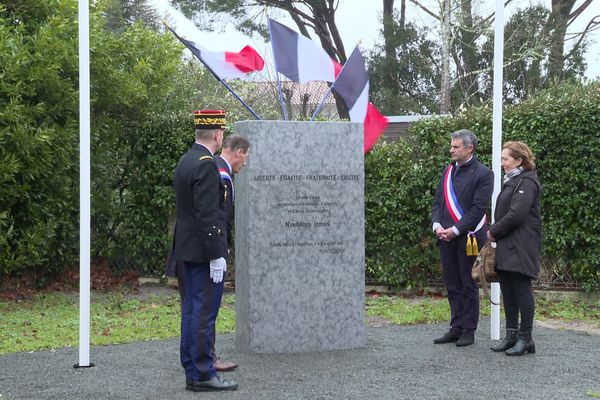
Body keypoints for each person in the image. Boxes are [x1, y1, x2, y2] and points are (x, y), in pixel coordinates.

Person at [171, 109, 238, 391]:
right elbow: (208, 215)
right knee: (202, 313)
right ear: (218, 134)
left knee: (191, 311)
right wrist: (216, 255)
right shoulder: (206, 165)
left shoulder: (187, 160)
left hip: (185, 250)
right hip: (201, 253)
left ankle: (192, 366)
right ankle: (201, 373)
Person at [431, 129, 494, 347]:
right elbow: (438, 202)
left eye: (456, 147)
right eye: (451, 146)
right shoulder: (448, 171)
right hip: (445, 237)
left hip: (468, 237)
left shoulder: (484, 174)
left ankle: (469, 329)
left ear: (469, 148)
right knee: (452, 284)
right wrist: (437, 225)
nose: (451, 150)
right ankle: (456, 327)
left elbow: (478, 209)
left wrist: (455, 230)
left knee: (468, 284)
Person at [488, 141, 542, 356]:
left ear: (519, 160)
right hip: (508, 244)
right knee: (508, 290)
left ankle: (526, 337)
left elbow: (517, 214)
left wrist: (493, 231)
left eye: (505, 159)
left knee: (521, 289)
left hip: (521, 245)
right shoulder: (514, 181)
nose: (502, 163)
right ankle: (511, 335)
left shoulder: (527, 182)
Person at [210, 134, 251, 372]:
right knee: (208, 308)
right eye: (245, 157)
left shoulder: (214, 167)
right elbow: (219, 219)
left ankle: (205, 357)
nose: (245, 164)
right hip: (213, 251)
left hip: (211, 249)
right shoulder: (221, 174)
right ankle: (208, 359)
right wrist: (219, 253)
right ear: (239, 152)